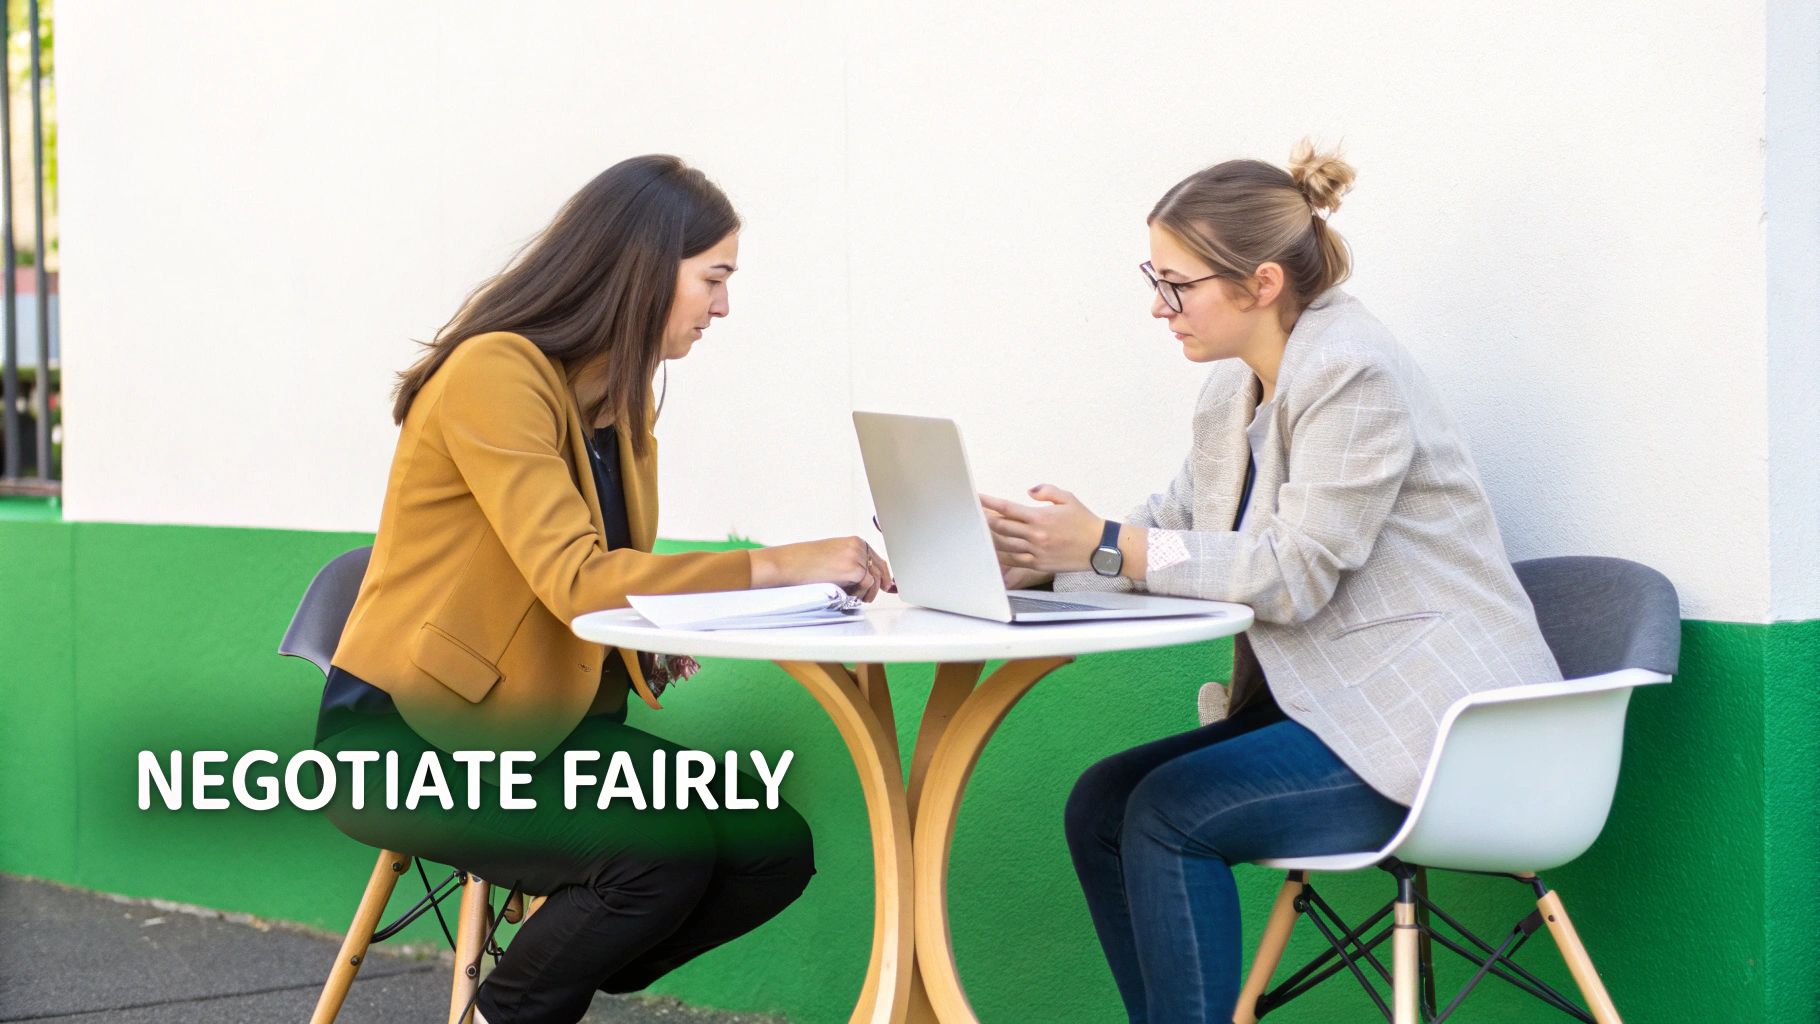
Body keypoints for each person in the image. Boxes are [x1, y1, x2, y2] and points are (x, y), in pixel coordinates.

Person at [980, 141, 1562, 1022]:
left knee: (1171, 812)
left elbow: (1292, 574)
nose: (1156, 305)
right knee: (1102, 803)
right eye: (1154, 276)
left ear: (1259, 284)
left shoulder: (1352, 371)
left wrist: (1104, 543)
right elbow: (1171, 532)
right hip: (1332, 714)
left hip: (1438, 735)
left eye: (1176, 283)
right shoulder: (1232, 392)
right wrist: (1043, 559)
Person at [312, 154, 894, 1024]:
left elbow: (584, 582)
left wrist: (645, 641)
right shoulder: (494, 372)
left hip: (545, 733)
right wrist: (783, 561)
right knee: (651, 862)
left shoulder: (617, 406)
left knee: (767, 845)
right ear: (642, 270)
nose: (723, 307)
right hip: (409, 739)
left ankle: (565, 965)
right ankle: (515, 1006)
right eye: (714, 279)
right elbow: (578, 578)